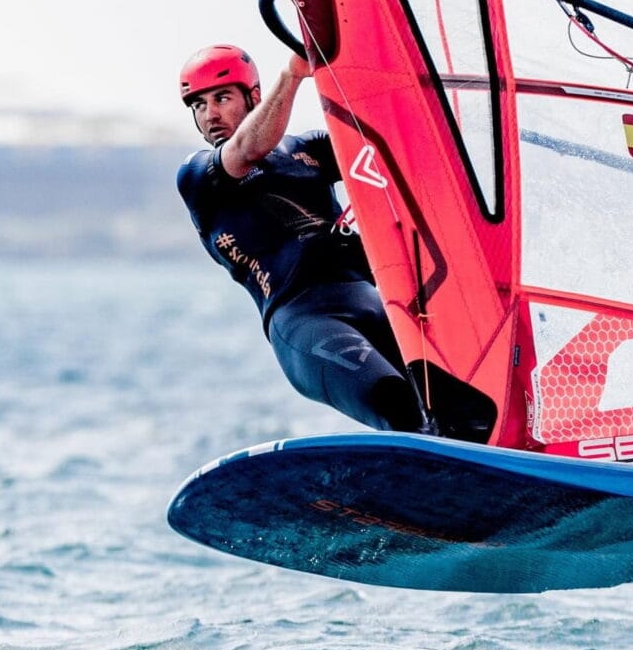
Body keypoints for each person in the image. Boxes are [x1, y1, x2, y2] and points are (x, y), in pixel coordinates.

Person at [175, 44, 438, 434]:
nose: (209, 114)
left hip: (376, 302)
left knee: (462, 405)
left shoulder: (307, 150)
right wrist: (294, 72)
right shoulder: (198, 175)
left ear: (254, 97)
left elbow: (396, 140)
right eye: (198, 105)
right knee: (395, 403)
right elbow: (249, 148)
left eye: (222, 98)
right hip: (306, 322)